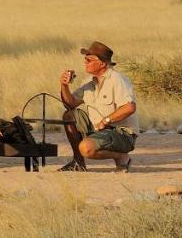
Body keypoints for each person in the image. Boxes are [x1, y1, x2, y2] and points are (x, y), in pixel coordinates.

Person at [59, 41, 138, 172]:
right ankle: (78, 163)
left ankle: (121, 157)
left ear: (102, 63)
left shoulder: (117, 79)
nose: (85, 63)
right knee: (69, 115)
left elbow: (129, 107)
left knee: (86, 148)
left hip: (121, 133)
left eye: (89, 60)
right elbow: (70, 103)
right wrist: (64, 86)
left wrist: (106, 120)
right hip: (100, 130)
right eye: (85, 59)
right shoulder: (89, 82)